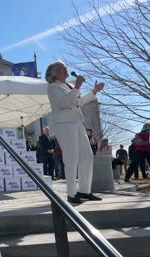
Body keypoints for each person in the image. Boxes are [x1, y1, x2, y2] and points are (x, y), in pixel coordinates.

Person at [45, 60, 104, 204]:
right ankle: (71, 194)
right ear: (54, 73)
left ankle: (84, 190)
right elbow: (63, 102)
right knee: (71, 157)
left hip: (77, 122)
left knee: (87, 155)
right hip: (64, 124)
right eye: (62, 69)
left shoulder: (69, 86)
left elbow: (79, 102)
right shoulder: (52, 87)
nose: (66, 70)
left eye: (66, 68)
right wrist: (77, 86)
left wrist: (94, 92)